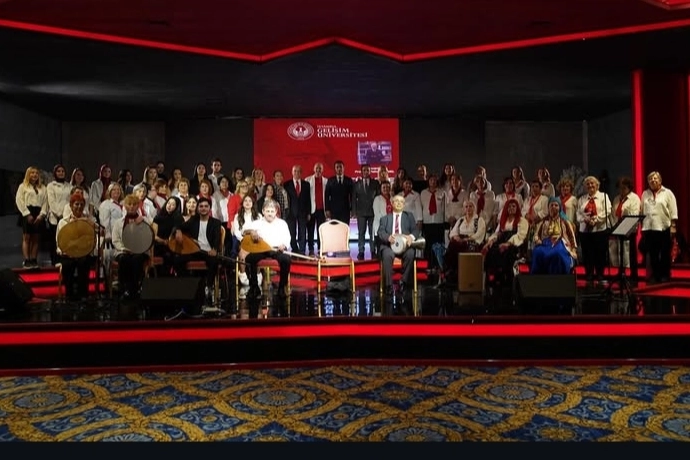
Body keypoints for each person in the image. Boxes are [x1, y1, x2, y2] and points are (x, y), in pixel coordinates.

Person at [244, 200, 293, 300]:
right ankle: (254, 287)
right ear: (263, 211)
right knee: (249, 258)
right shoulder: (257, 223)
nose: (270, 214)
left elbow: (287, 238)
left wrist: (284, 245)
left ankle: (281, 287)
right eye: (268, 211)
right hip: (261, 249)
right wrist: (251, 231)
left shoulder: (282, 223)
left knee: (286, 260)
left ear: (276, 212)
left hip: (276, 250)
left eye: (272, 211)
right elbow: (243, 231)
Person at [56, 193, 100, 301]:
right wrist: (63, 251)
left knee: (83, 262)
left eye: (81, 204)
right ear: (71, 206)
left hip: (83, 253)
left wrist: (90, 223)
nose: (79, 207)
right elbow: (59, 241)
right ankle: (69, 295)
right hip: (68, 253)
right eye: (76, 204)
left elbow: (101, 232)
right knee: (67, 264)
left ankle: (83, 294)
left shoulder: (88, 221)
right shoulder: (63, 222)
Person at [172, 197, 223, 290]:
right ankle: (188, 285)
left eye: (206, 206)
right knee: (177, 260)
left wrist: (214, 249)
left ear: (210, 208)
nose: (203, 208)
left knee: (214, 262)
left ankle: (208, 287)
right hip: (194, 251)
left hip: (208, 252)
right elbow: (178, 226)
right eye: (201, 206)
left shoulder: (216, 222)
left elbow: (217, 238)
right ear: (198, 208)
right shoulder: (193, 220)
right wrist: (178, 230)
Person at [378, 194, 421, 295]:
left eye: (401, 202)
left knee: (411, 253)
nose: (399, 203)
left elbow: (416, 230)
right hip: (389, 246)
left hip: (405, 246)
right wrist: (388, 237)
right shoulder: (385, 218)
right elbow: (380, 232)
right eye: (396, 201)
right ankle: (389, 285)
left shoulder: (409, 216)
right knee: (387, 255)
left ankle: (403, 281)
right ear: (392, 203)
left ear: (404, 204)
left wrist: (411, 237)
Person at [435, 200, 486, 284]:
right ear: (464, 209)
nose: (468, 208)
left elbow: (480, 234)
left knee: (457, 246)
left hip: (472, 241)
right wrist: (456, 237)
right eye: (466, 207)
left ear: (474, 208)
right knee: (453, 244)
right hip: (459, 240)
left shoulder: (479, 220)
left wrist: (468, 239)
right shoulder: (461, 220)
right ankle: (449, 271)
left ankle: (449, 270)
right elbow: (453, 232)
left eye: (470, 206)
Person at [640, 171, 678, 284]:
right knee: (653, 254)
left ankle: (665, 275)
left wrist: (673, 226)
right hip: (649, 228)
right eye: (650, 179)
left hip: (663, 227)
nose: (653, 180)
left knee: (665, 253)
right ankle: (655, 275)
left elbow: (673, 210)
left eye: (655, 178)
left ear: (660, 180)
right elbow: (642, 210)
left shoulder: (667, 193)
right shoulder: (645, 194)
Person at [111, 194, 150, 300]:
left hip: (140, 251)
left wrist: (141, 226)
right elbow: (115, 240)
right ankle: (125, 288)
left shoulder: (144, 221)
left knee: (137, 259)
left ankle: (134, 289)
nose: (132, 207)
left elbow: (147, 238)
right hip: (123, 251)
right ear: (125, 205)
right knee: (124, 259)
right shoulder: (118, 223)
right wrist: (124, 249)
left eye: (134, 204)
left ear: (138, 206)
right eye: (129, 204)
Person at [483, 198, 529, 288]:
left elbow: (521, 235)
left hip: (514, 244)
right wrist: (490, 241)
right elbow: (497, 233)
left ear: (517, 208)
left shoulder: (522, 220)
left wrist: (508, 244)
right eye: (509, 206)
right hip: (501, 241)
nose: (511, 208)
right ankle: (494, 278)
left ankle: (506, 279)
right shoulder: (503, 220)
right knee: (492, 251)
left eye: (513, 206)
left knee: (507, 252)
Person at [576, 175, 613, 286]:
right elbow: (578, 214)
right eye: (587, 184)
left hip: (600, 230)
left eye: (592, 183)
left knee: (600, 253)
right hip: (585, 231)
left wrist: (596, 220)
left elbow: (607, 211)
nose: (590, 185)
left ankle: (600, 275)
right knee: (587, 254)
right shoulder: (582, 199)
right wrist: (585, 219)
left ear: (597, 185)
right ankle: (589, 275)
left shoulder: (603, 196)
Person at [531, 197, 577, 274]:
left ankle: (557, 277)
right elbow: (536, 235)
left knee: (557, 253)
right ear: (548, 208)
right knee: (537, 252)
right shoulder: (543, 221)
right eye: (551, 205)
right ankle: (538, 278)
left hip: (560, 243)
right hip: (545, 244)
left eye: (556, 205)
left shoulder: (565, 222)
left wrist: (573, 249)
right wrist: (537, 240)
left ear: (560, 208)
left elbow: (572, 236)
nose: (553, 207)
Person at [609, 177, 641, 285]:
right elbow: (614, 214)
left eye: (624, 188)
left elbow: (635, 213)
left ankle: (634, 275)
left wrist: (625, 212)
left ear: (629, 188)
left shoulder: (634, 198)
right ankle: (621, 273)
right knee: (619, 251)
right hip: (619, 228)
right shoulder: (617, 199)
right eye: (620, 188)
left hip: (630, 228)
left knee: (631, 253)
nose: (621, 190)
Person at [16, 166, 48, 268]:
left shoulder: (43, 188)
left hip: (38, 212)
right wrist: (27, 214)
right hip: (27, 211)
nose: (34, 175)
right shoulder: (23, 186)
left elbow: (45, 202)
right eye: (32, 173)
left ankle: (34, 259)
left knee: (36, 238)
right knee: (27, 237)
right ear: (28, 174)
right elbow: (19, 200)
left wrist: (42, 214)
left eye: (36, 173)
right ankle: (27, 260)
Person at [352, 164, 380, 260]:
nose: (366, 172)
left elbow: (378, 197)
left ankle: (373, 251)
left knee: (372, 232)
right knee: (361, 232)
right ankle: (361, 251)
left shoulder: (375, 183)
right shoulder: (356, 184)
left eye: (367, 170)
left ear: (370, 171)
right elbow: (353, 198)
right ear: (361, 171)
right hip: (361, 212)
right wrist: (354, 211)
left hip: (373, 212)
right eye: (364, 170)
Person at [46, 164, 72, 266]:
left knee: (65, 239)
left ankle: (64, 259)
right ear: (55, 173)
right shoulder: (51, 186)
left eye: (62, 171)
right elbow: (51, 201)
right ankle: (55, 260)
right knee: (54, 240)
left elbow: (70, 201)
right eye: (59, 171)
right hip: (55, 217)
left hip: (66, 216)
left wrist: (65, 214)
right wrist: (59, 213)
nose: (61, 173)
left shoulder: (69, 186)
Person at [152, 196, 184, 277]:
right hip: (159, 244)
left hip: (173, 245)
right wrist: (163, 241)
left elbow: (179, 233)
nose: (169, 206)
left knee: (176, 256)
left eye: (173, 205)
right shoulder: (158, 217)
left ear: (176, 207)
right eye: (168, 203)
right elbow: (154, 236)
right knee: (167, 255)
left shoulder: (178, 218)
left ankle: (173, 278)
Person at [305, 162, 328, 257]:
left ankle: (320, 248)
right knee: (310, 231)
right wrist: (307, 211)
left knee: (321, 230)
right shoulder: (307, 180)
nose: (318, 170)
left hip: (322, 210)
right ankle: (311, 249)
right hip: (311, 210)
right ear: (314, 169)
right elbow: (305, 198)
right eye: (317, 168)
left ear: (322, 170)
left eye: (320, 168)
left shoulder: (326, 181)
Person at [325, 160, 353, 225]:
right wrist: (327, 209)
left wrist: (352, 209)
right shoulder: (330, 180)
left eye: (340, 167)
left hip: (345, 210)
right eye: (337, 167)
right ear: (335, 169)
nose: (339, 169)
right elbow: (327, 196)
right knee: (335, 228)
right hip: (334, 210)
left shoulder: (349, 180)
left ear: (344, 168)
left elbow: (352, 196)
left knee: (345, 228)